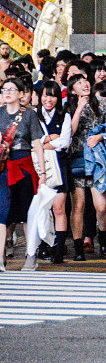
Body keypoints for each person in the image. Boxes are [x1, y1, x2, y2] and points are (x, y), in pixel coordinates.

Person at [66, 73, 106, 261]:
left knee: (101, 206)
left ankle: (102, 238)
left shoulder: (101, 103)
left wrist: (101, 137)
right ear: (72, 90)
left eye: (85, 81)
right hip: (77, 159)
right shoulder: (68, 106)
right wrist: (78, 109)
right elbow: (70, 133)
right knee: (78, 205)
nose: (84, 84)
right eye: (78, 83)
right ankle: (78, 246)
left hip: (97, 160)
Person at [0, 77, 47, 271]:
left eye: (12, 89)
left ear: (21, 94)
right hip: (3, 168)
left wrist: (42, 172)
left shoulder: (29, 115)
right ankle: (0, 257)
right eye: (4, 89)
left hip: (24, 166)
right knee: (2, 213)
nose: (7, 92)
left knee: (28, 214)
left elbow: (37, 143)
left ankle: (31, 255)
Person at [36, 80, 73, 264]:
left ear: (58, 97)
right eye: (45, 95)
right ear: (40, 96)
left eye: (52, 95)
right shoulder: (34, 115)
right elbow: (31, 142)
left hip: (60, 166)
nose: (48, 99)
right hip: (40, 167)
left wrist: (43, 144)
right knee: (42, 208)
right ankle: (42, 246)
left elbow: (65, 142)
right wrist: (48, 138)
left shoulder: (64, 115)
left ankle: (58, 250)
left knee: (59, 208)